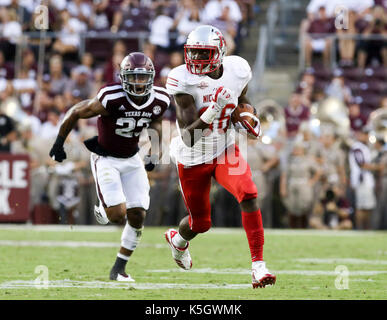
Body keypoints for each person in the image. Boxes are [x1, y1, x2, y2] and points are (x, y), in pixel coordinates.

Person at [164, 25, 276, 288]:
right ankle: (178, 241)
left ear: (220, 52)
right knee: (200, 223)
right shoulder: (182, 80)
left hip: (225, 149)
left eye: (204, 54)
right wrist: (214, 109)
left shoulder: (237, 70)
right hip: (193, 157)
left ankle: (258, 267)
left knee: (248, 193)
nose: (197, 61)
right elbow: (189, 136)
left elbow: (242, 100)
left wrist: (250, 117)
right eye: (193, 54)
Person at [49, 52, 170, 281]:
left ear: (151, 78)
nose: (138, 83)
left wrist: (154, 152)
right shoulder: (111, 96)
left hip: (132, 158)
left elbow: (155, 123)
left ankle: (119, 269)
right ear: (123, 77)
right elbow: (76, 111)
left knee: (137, 215)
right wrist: (58, 143)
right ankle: (103, 207)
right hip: (106, 158)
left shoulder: (160, 99)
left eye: (143, 78)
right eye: (133, 77)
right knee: (116, 215)